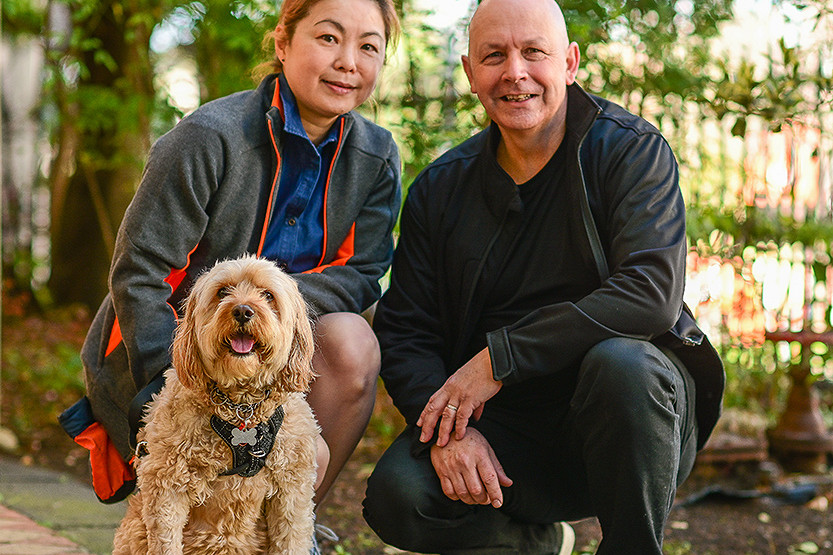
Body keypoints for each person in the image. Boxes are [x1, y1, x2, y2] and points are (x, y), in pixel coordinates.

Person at [362, 0, 724, 553]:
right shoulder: (441, 188)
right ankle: (533, 540)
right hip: (506, 436)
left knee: (622, 363)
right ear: (469, 72)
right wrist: (447, 433)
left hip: (631, 422)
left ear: (570, 62)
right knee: (398, 496)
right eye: (494, 56)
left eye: (534, 52)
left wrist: (500, 358)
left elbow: (649, 294)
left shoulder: (629, 151)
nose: (515, 71)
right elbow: (407, 329)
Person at [61, 0, 401, 520]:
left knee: (355, 341)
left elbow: (361, 274)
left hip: (278, 363)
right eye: (328, 38)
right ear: (283, 42)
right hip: (168, 356)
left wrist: (267, 311)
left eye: (369, 46)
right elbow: (141, 271)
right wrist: (173, 374)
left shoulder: (376, 159)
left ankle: (289, 527)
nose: (348, 61)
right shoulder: (209, 137)